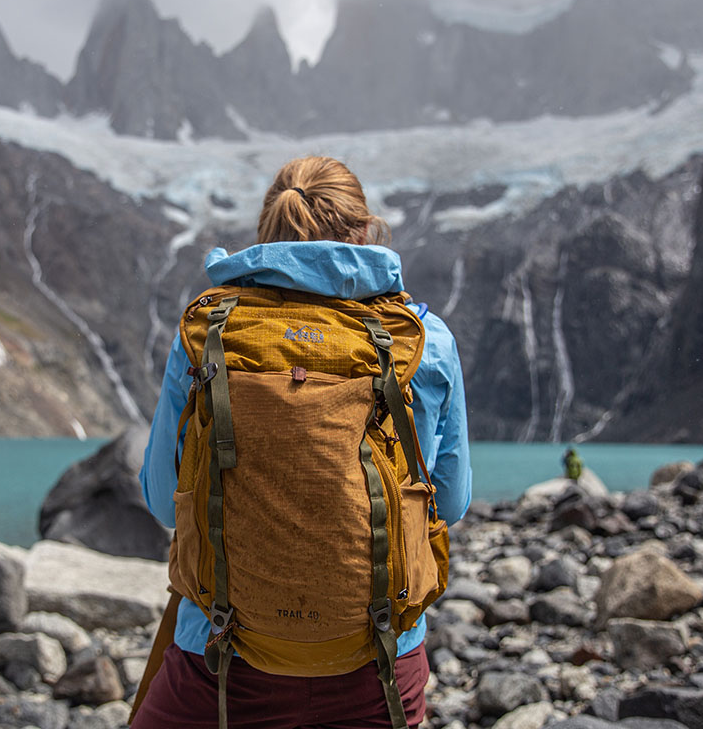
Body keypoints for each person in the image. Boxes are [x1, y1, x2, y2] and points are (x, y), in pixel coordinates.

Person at [135, 156, 471, 728]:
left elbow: (163, 492)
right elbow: (452, 501)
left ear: (267, 229)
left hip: (220, 663)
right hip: (377, 664)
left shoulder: (210, 328)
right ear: (364, 231)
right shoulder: (422, 337)